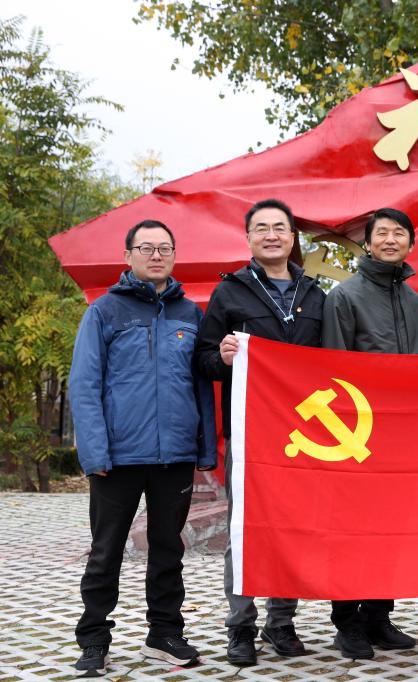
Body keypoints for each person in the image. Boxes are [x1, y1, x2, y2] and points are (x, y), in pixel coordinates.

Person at [68, 219, 218, 676]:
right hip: (118, 458)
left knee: (168, 550)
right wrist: (95, 454)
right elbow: (84, 385)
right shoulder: (105, 312)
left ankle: (164, 635)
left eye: (164, 248)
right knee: (106, 551)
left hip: (175, 455)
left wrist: (204, 449)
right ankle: (94, 638)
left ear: (174, 255)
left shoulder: (189, 314)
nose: (156, 255)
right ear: (128, 255)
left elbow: (200, 387)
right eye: (146, 247)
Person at [195, 198, 325, 667]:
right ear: (249, 237)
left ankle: (281, 622)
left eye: (280, 228)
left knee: (291, 529)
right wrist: (223, 356)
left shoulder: (316, 295)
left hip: (305, 436)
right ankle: (241, 626)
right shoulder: (230, 293)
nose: (271, 235)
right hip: (250, 433)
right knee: (244, 530)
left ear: (292, 238)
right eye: (262, 228)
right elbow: (203, 359)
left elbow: (332, 363)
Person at [322, 207, 418, 659]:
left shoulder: (415, 301)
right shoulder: (344, 297)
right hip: (358, 437)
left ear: (410, 244)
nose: (390, 240)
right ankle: (347, 622)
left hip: (404, 436)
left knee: (392, 530)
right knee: (353, 532)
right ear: (367, 243)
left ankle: (379, 616)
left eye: (399, 233)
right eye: (381, 233)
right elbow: (334, 370)